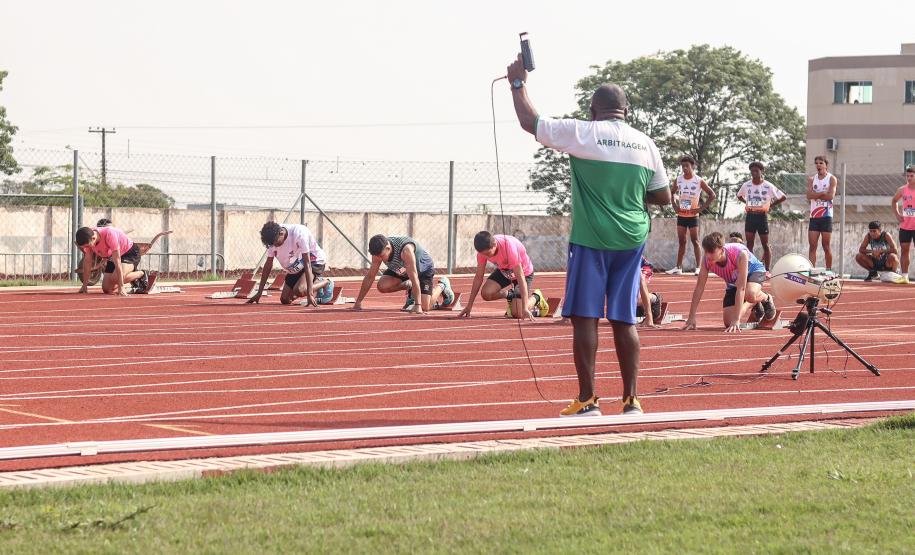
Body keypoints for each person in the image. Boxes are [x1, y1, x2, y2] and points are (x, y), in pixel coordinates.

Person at [507, 54, 671, 416]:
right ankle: (631, 400)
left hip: (592, 238)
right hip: (631, 238)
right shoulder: (646, 144)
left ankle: (588, 400)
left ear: (593, 110)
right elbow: (663, 196)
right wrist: (629, 195)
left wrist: (518, 83)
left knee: (584, 316)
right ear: (626, 111)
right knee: (625, 318)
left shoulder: (584, 132)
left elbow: (529, 121)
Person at [683, 231, 776, 333]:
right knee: (728, 322)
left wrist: (737, 320)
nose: (708, 256)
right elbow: (699, 287)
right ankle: (753, 303)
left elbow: (741, 288)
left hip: (753, 272)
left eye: (712, 252)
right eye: (706, 252)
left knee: (749, 294)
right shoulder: (706, 260)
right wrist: (691, 317)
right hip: (734, 282)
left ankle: (766, 298)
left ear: (722, 250)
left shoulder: (740, 254)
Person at [458, 231, 548, 320]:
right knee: (486, 293)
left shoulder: (509, 247)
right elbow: (478, 277)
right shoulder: (482, 253)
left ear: (494, 245)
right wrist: (469, 306)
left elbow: (520, 277)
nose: (486, 256)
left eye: (488, 254)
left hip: (523, 273)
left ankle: (537, 297)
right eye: (483, 254)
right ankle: (510, 295)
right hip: (505, 271)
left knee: (518, 313)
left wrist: (524, 308)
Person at [352, 234, 453, 314]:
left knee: (425, 306)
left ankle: (442, 285)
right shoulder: (378, 252)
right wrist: (358, 302)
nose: (379, 258)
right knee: (382, 286)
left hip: (422, 270)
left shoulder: (406, 250)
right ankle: (410, 288)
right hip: (401, 269)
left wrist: (417, 305)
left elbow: (414, 276)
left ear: (388, 248)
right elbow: (370, 276)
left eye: (381, 255)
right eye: (377, 255)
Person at [248, 221, 333, 306]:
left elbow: (307, 263)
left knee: (300, 290)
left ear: (281, 233)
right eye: (272, 245)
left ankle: (326, 282)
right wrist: (259, 292)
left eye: (276, 243)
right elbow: (268, 265)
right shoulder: (272, 238)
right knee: (285, 299)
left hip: (313, 261)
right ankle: (313, 284)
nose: (275, 246)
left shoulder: (299, 233)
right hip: (297, 264)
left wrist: (309, 294)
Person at [667, 155, 716, 275]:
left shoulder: (698, 180)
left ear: (692, 166)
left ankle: (698, 268)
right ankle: (678, 267)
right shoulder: (679, 179)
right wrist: (674, 205)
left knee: (695, 240)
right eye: (682, 166)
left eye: (687, 166)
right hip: (682, 215)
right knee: (682, 241)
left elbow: (712, 195)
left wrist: (701, 209)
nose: (684, 168)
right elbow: (671, 193)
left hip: (693, 216)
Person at [736, 161, 787, 270]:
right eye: (752, 171)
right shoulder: (746, 185)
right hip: (750, 216)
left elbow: (783, 197)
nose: (754, 173)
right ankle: (749, 268)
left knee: (765, 244)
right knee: (749, 244)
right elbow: (739, 195)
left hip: (761, 216)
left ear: (761, 171)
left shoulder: (768, 186)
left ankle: (767, 269)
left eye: (756, 171)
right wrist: (747, 202)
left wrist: (770, 205)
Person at [75, 225, 149, 295]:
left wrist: (121, 287)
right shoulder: (88, 237)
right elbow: (87, 261)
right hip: (112, 255)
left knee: (116, 278)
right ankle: (130, 278)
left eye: (87, 246)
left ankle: (142, 274)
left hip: (129, 253)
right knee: (107, 289)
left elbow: (117, 261)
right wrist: (84, 285)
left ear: (93, 238)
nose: (87, 248)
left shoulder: (109, 234)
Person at [807, 155, 838, 270]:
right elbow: (809, 195)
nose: (818, 165)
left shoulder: (831, 179)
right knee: (812, 246)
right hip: (814, 216)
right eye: (816, 163)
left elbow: (830, 196)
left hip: (826, 216)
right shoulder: (811, 179)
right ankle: (811, 270)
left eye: (821, 163)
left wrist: (816, 194)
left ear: (826, 165)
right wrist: (821, 193)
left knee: (826, 246)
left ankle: (829, 271)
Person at [891, 165, 915, 283]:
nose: (909, 178)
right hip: (905, 226)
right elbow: (894, 201)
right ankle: (904, 276)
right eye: (907, 176)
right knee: (904, 250)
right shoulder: (902, 189)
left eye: (912, 176)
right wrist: (897, 214)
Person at [636, 256, 663, 328]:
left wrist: (649, 317)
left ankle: (655, 299)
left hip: (642, 266)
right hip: (621, 266)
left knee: (636, 298)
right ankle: (638, 309)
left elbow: (641, 281)